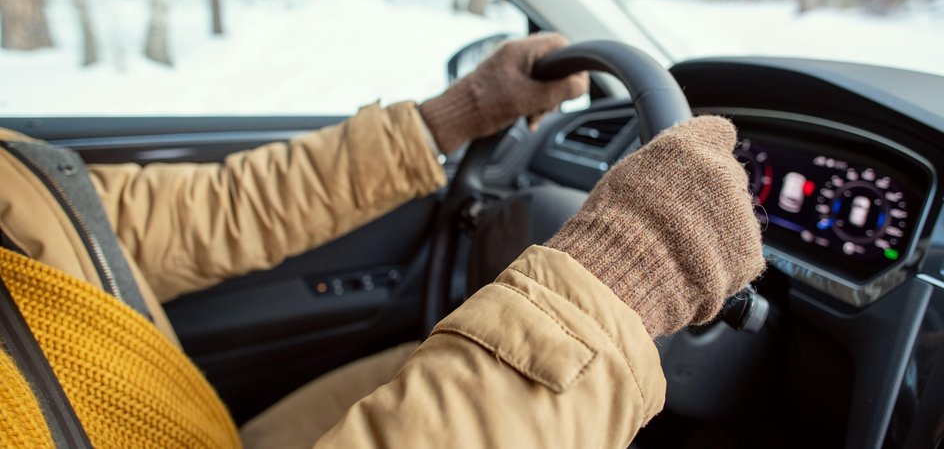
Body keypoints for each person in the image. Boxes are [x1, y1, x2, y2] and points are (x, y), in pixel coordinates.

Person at [0, 33, 764, 448]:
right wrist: (613, 286)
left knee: (423, 356)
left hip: (180, 421)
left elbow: (166, 217)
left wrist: (457, 112)